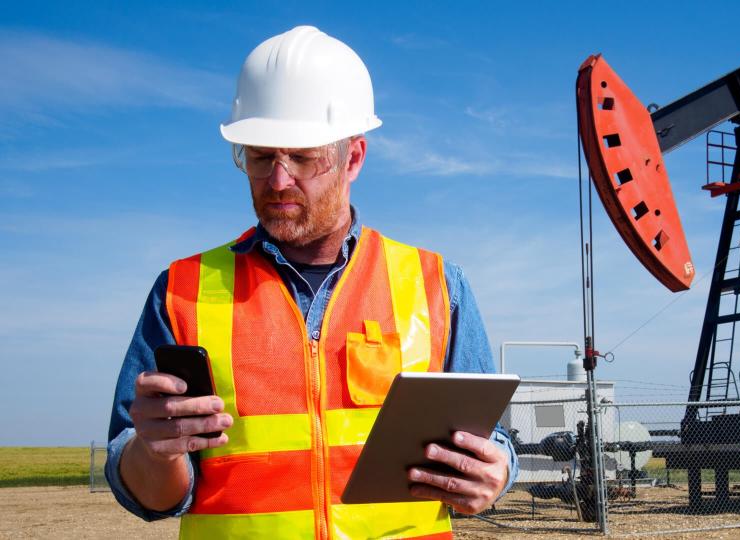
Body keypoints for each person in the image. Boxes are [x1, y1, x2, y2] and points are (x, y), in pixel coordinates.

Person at [105, 26, 518, 539]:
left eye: (303, 157)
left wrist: (495, 473)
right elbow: (149, 492)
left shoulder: (438, 285)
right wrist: (154, 452)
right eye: (259, 157)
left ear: (355, 158)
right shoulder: (181, 291)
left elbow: (491, 444)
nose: (278, 181)